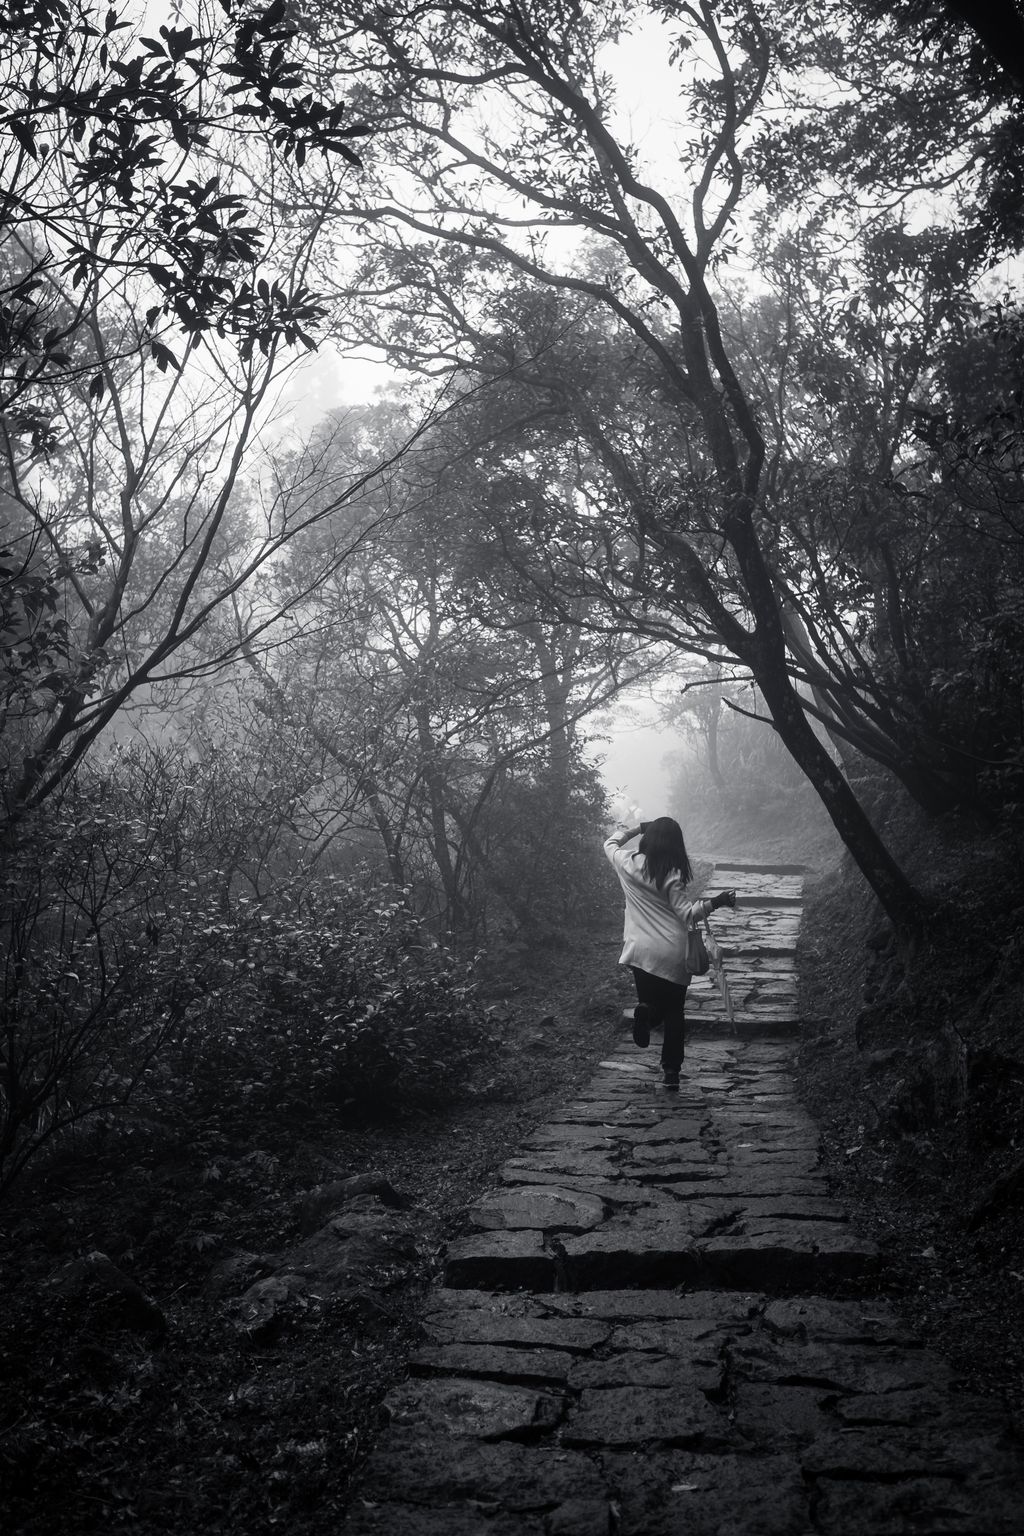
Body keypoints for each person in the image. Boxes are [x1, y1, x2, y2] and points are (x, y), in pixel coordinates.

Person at [603, 817, 735, 1090]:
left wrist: (637, 828)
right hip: (673, 951)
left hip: (641, 952)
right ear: (674, 844)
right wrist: (717, 902)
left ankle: (646, 1012)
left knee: (651, 1004)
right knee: (674, 1010)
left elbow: (610, 842)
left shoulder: (626, 863)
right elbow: (688, 915)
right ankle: (672, 1072)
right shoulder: (671, 875)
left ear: (649, 838)